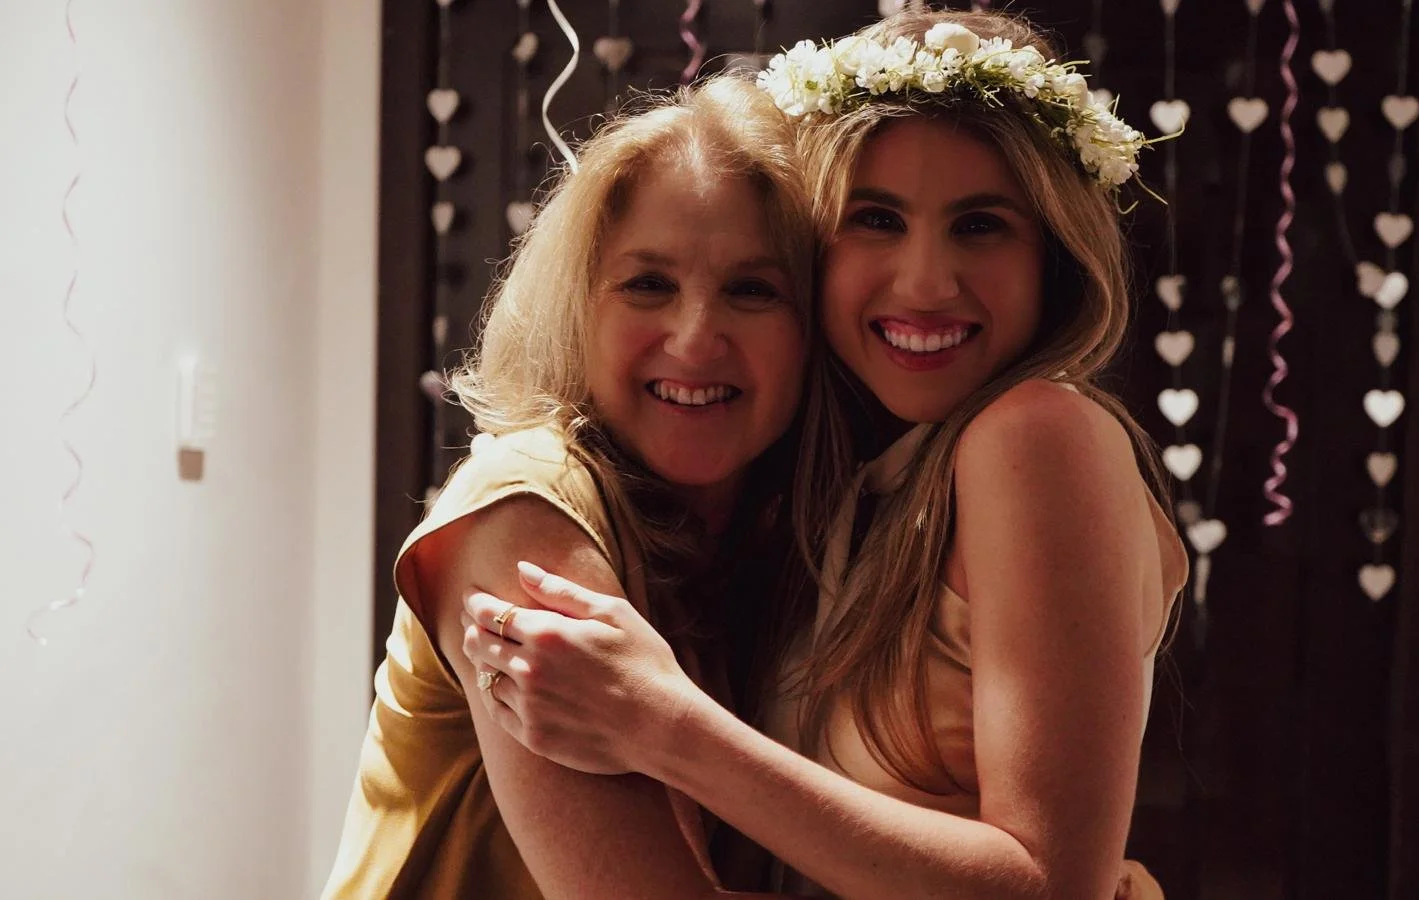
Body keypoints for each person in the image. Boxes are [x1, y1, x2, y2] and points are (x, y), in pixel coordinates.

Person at [460, 9, 1189, 898]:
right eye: (877, 219)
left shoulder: (1037, 433)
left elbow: (1050, 885)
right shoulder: (863, 484)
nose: (924, 282)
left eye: (981, 225)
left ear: (1055, 254)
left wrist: (665, 723)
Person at [321, 75, 820, 898]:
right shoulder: (527, 502)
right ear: (576, 306)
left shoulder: (769, 544)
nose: (696, 339)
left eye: (753, 289)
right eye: (648, 284)